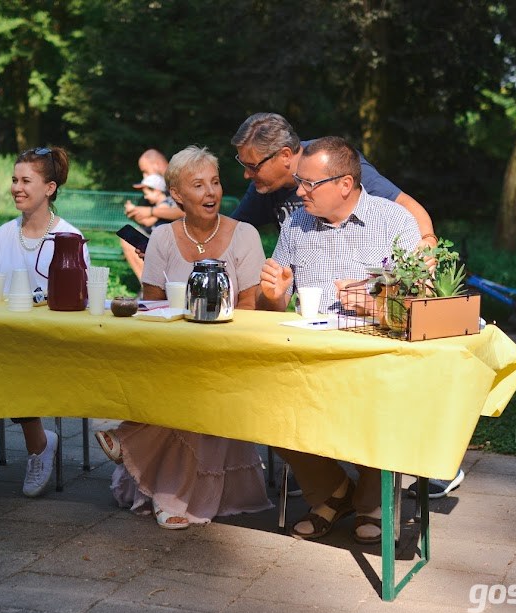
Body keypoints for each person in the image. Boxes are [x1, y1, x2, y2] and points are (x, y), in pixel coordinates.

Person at [94, 145, 272, 530]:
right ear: (176, 194)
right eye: (198, 185)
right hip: (173, 350)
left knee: (199, 387)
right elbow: (152, 304)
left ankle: (142, 457)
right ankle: (165, 486)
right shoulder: (161, 238)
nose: (211, 193)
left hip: (229, 351)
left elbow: (249, 308)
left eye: (215, 182)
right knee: (182, 380)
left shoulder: (245, 235)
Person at [258, 136, 422, 544]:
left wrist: (377, 304)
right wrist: (275, 295)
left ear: (344, 184)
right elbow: (272, 304)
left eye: (308, 184)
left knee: (384, 404)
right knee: (257, 399)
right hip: (308, 355)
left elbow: (419, 302)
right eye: (299, 181)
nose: (299, 191)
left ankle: (369, 503)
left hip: (374, 357)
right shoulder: (296, 222)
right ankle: (333, 491)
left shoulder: (395, 222)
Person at [0, 146, 90, 510]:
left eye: (26, 180)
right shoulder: (2, 235)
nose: (16, 187)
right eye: (14, 179)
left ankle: (39, 445)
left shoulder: (69, 239)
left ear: (50, 188)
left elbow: (79, 308)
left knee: (9, 363)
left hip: (49, 347)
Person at [230, 112, 437, 251]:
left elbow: (406, 205)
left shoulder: (334, 164)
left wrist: (428, 242)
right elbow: (232, 231)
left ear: (285, 155)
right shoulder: (265, 186)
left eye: (253, 166)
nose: (247, 174)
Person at [120, 173, 180, 279]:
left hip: (163, 244)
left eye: (147, 193)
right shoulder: (160, 204)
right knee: (128, 236)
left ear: (157, 191)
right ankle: (147, 281)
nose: (145, 196)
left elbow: (148, 222)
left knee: (130, 237)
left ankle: (148, 280)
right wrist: (133, 215)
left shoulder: (165, 204)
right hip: (156, 241)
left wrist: (134, 210)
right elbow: (146, 222)